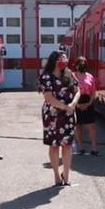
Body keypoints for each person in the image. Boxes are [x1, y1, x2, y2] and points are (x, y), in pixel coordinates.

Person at [39, 50, 80, 186]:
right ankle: (57, 175)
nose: (65, 61)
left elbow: (77, 90)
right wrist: (64, 107)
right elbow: (48, 97)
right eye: (63, 59)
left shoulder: (68, 74)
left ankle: (66, 176)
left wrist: (73, 104)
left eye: (66, 59)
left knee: (67, 146)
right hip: (52, 114)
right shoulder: (46, 76)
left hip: (68, 114)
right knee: (54, 145)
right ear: (55, 60)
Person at [73, 56, 99, 156]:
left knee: (91, 126)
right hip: (76, 102)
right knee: (77, 125)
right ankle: (80, 147)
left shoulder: (90, 76)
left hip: (88, 102)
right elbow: (70, 92)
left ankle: (94, 147)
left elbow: (93, 91)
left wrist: (89, 103)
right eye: (80, 63)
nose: (82, 65)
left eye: (84, 63)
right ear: (76, 65)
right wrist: (77, 105)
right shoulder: (72, 76)